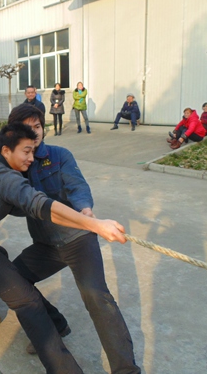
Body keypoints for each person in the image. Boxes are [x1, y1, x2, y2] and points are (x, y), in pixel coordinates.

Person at [0, 123, 127, 373]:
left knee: (3, 260)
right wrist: (96, 224)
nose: (31, 157)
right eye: (26, 151)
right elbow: (44, 206)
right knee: (29, 303)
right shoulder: (8, 179)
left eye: (33, 151)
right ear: (6, 150)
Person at [8, 104, 140, 372]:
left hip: (78, 239)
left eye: (37, 126)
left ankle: (127, 370)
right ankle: (55, 325)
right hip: (46, 245)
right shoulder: (14, 166)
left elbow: (77, 186)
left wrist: (86, 210)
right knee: (12, 278)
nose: (34, 133)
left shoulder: (59, 156)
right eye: (27, 128)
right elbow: (13, 207)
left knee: (96, 296)